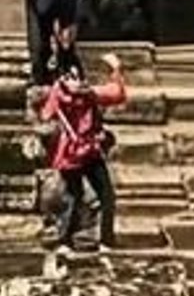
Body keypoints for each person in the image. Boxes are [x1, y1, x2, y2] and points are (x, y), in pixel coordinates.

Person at [38, 49, 129, 251]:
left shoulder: (60, 93)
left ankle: (67, 239)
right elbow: (117, 93)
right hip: (85, 150)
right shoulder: (88, 94)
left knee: (78, 195)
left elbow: (46, 115)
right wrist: (116, 69)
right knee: (95, 195)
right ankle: (103, 239)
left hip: (73, 151)